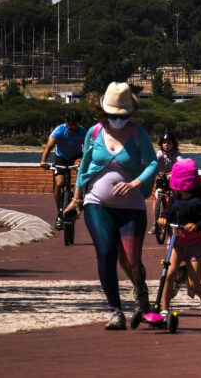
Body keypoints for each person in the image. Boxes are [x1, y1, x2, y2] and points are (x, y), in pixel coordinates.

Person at [63, 82, 158, 330]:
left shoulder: (139, 134)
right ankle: (115, 311)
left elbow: (152, 164)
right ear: (105, 112)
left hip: (132, 207)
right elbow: (83, 167)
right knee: (106, 252)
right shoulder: (94, 133)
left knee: (131, 260)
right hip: (97, 203)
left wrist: (136, 183)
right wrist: (76, 199)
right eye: (114, 115)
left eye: (123, 116)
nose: (118, 120)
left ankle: (140, 289)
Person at [156, 158, 201, 320]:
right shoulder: (175, 197)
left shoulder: (198, 202)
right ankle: (164, 309)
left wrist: (196, 225)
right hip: (176, 241)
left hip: (194, 244)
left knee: (194, 284)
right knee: (169, 274)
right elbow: (168, 213)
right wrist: (163, 219)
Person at [39, 108, 87, 230]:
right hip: (61, 158)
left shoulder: (82, 132)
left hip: (76, 156)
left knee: (81, 167)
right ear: (65, 121)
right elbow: (49, 146)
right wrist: (43, 161)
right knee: (59, 183)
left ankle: (80, 197)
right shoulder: (59, 130)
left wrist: (87, 162)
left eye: (75, 123)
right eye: (70, 123)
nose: (72, 126)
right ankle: (60, 214)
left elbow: (87, 149)